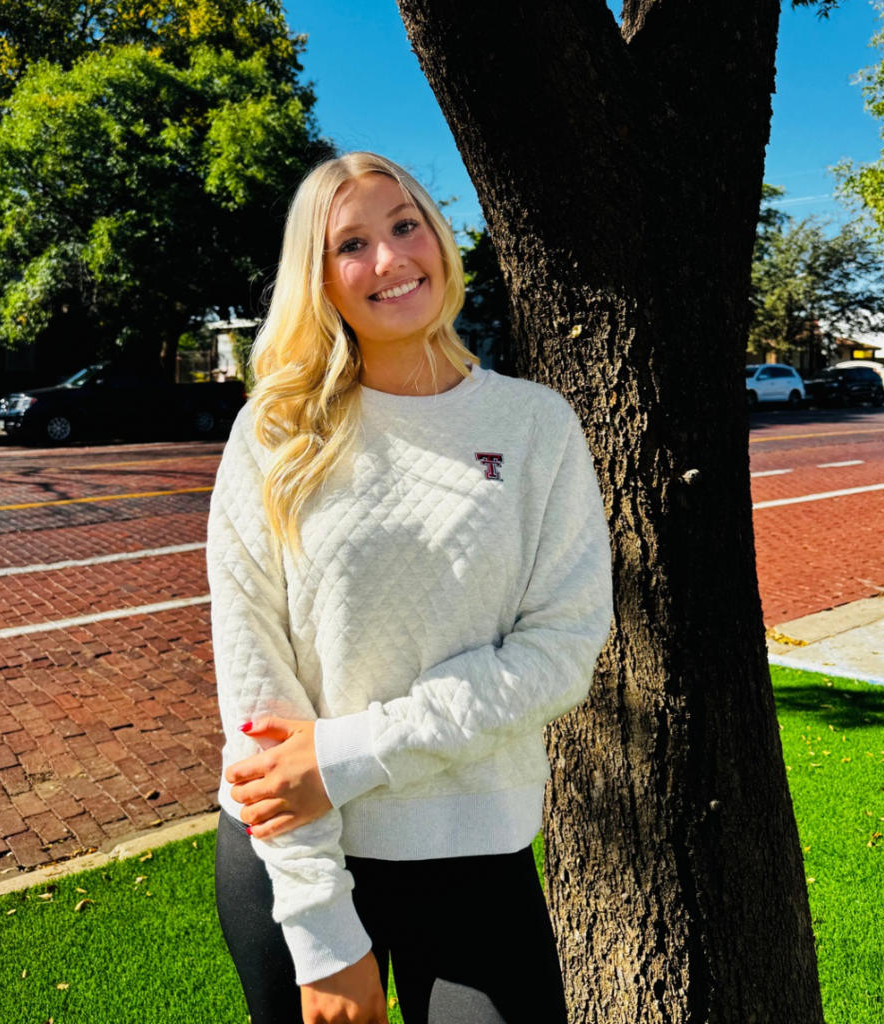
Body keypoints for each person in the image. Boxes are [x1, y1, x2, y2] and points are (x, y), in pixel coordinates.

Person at [207, 151, 614, 1024]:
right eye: (350, 243)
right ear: (317, 278)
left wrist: (349, 753)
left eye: (405, 225)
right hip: (295, 855)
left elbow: (562, 651)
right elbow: (255, 692)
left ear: (440, 237)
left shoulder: (537, 424)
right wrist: (321, 933)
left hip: (474, 844)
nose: (390, 260)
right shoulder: (272, 434)